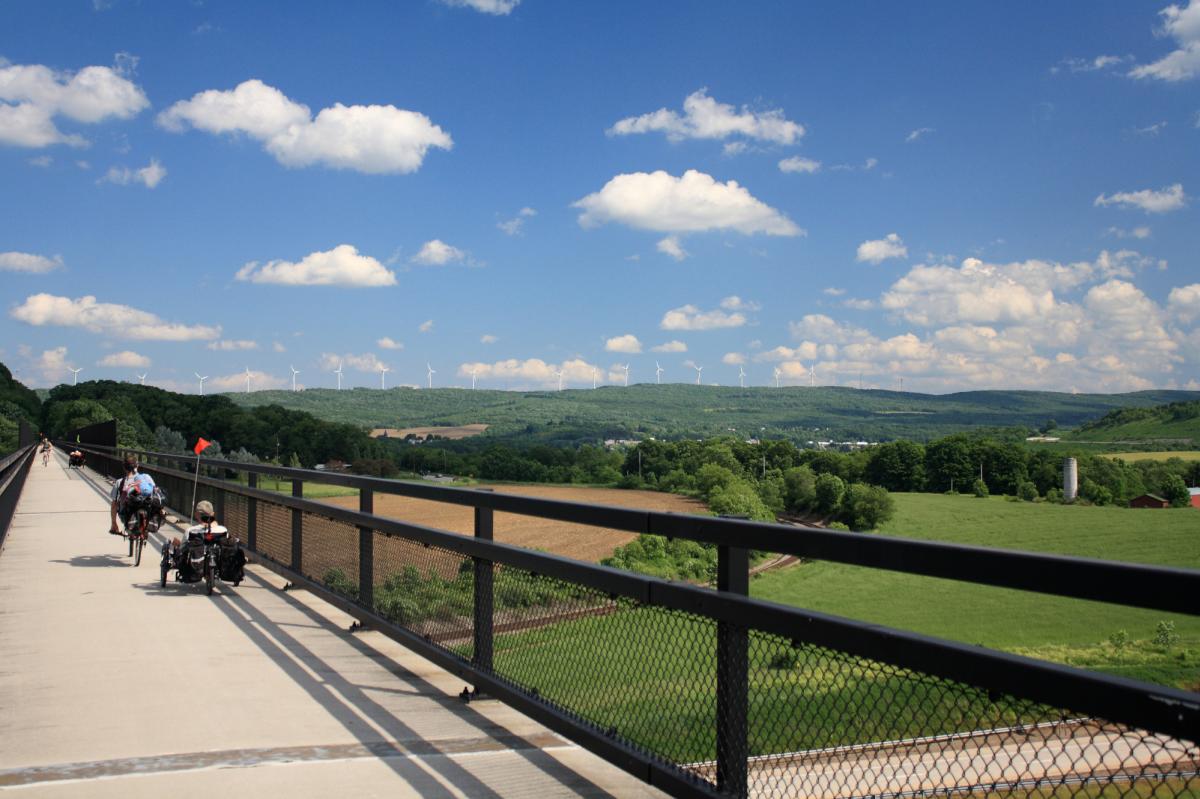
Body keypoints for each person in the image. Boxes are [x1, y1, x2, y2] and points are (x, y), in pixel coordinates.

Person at [109, 454, 157, 535]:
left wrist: (114, 522)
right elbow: (155, 492)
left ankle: (130, 525)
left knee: (115, 502)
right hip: (147, 513)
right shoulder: (146, 477)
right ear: (137, 466)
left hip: (126, 516)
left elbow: (114, 505)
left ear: (124, 468)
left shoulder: (120, 482)